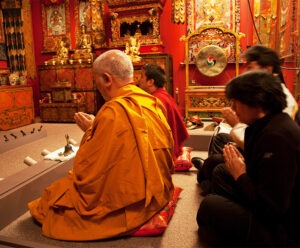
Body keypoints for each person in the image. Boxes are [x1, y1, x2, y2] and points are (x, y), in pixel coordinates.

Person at [28, 49, 175, 241]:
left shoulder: (112, 111)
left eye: (95, 79)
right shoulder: (151, 102)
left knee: (50, 200)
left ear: (107, 79)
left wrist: (91, 130)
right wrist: (97, 127)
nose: (95, 85)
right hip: (159, 190)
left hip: (134, 201)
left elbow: (88, 171)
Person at [196, 71, 300, 246]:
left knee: (209, 205)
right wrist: (240, 167)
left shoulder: (277, 137)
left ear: (257, 102)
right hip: (263, 203)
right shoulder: (265, 124)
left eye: (236, 101)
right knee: (220, 170)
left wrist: (240, 174)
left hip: (280, 229)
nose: (234, 108)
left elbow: (271, 209)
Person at [192, 45, 299, 171]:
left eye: (250, 67)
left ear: (268, 68)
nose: (245, 72)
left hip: (269, 160)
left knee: (218, 168)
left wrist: (236, 124)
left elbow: (263, 143)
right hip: (257, 145)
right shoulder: (266, 91)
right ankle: (208, 169)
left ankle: (209, 170)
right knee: (221, 140)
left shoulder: (277, 98)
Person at [138, 63, 189, 161]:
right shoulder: (162, 95)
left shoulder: (156, 101)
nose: (139, 80)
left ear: (151, 82)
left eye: (142, 76)